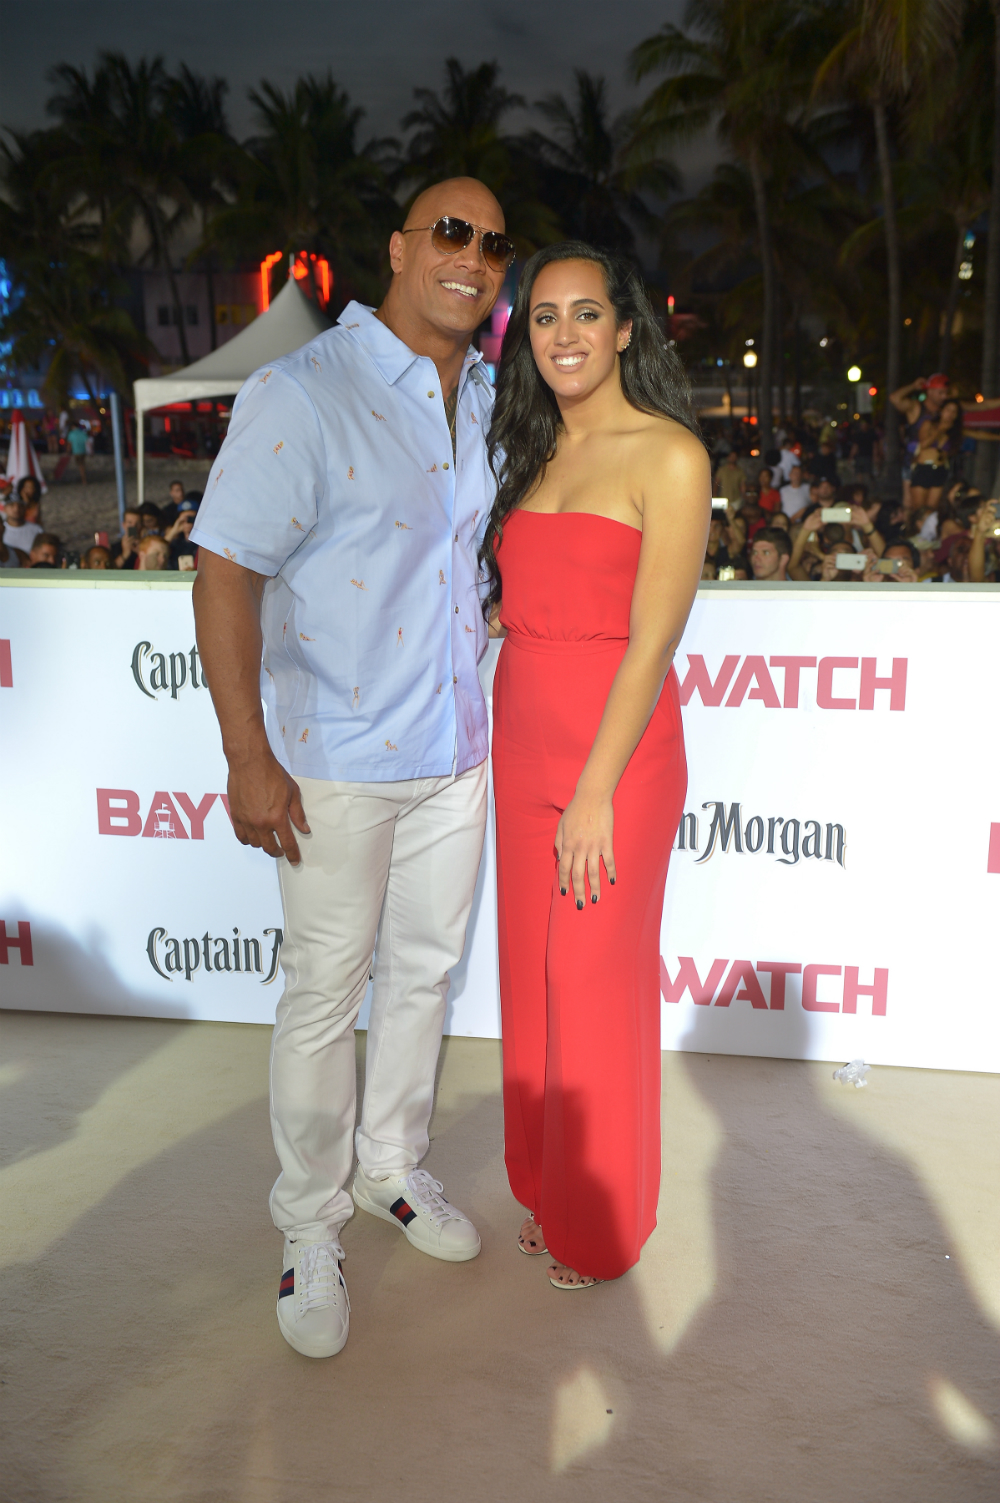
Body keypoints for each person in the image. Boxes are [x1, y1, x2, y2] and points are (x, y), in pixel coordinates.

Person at [190, 176, 513, 1359]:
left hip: (455, 747)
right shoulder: (305, 389)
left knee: (424, 974)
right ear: (399, 247)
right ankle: (309, 1225)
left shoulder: (489, 396)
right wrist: (247, 753)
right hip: (333, 754)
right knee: (326, 992)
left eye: (493, 242)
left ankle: (390, 1166)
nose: (471, 255)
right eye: (450, 232)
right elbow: (225, 570)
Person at [483, 242, 708, 1290]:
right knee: (533, 983)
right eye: (543, 316)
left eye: (585, 313)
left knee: (589, 982)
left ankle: (603, 1224)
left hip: (612, 762)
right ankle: (547, 1192)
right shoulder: (529, 451)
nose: (564, 333)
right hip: (519, 739)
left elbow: (652, 641)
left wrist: (593, 794)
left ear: (624, 329)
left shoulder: (669, 454)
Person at [909, 398, 963, 516]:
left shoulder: (954, 431)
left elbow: (978, 434)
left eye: (954, 412)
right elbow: (923, 444)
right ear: (941, 411)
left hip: (940, 470)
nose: (950, 414)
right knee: (918, 510)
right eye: (948, 410)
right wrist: (939, 430)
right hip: (924, 468)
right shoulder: (929, 424)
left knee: (932, 510)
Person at [164, 493, 200, 569]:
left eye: (191, 519)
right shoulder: (175, 543)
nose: (187, 522)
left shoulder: (202, 545)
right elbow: (159, 547)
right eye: (184, 519)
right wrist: (174, 530)